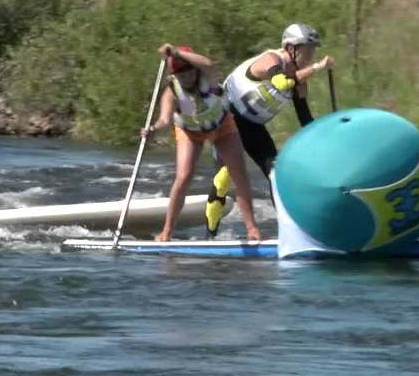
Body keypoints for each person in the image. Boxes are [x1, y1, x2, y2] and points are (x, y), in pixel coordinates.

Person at [203, 23, 333, 233]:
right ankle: (211, 233)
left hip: (252, 126)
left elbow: (305, 119)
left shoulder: (300, 83)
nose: (311, 54)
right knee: (224, 178)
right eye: (308, 49)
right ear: (291, 48)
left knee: (275, 173)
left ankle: (289, 231)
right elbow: (281, 83)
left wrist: (325, 137)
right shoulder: (271, 60)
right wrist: (317, 68)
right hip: (227, 119)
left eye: (313, 49)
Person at [141, 43, 263, 242]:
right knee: (184, 176)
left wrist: (177, 53)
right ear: (174, 75)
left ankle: (252, 229)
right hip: (190, 133)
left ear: (195, 70)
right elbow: (164, 120)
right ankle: (167, 231)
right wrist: (152, 130)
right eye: (181, 74)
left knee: (238, 173)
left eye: (189, 72)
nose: (186, 77)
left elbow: (208, 63)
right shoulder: (172, 92)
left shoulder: (209, 77)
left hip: (222, 126)